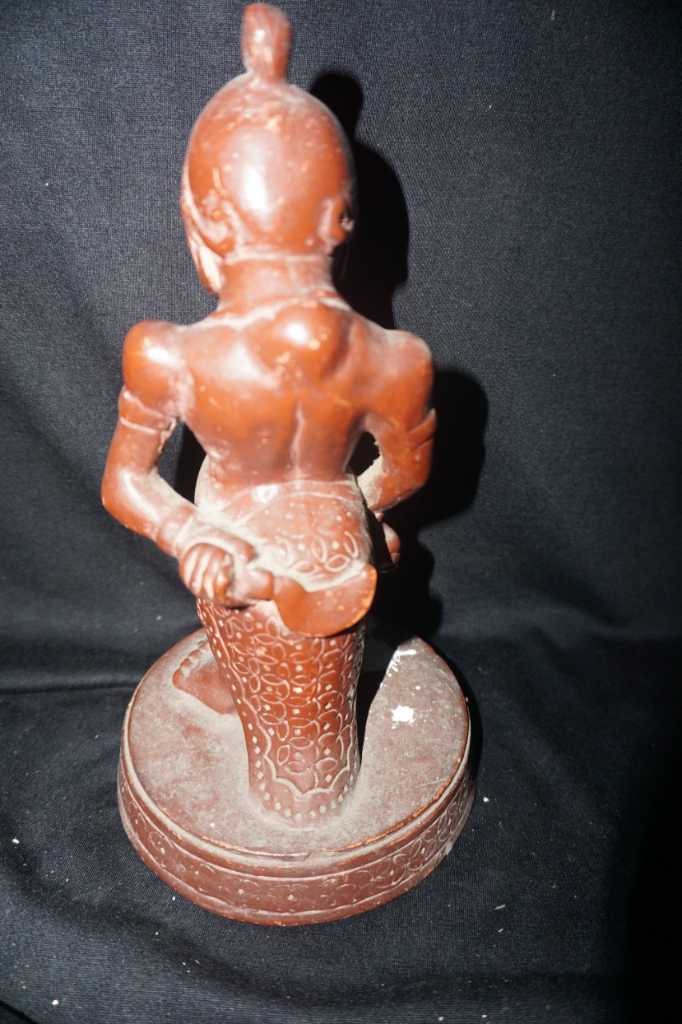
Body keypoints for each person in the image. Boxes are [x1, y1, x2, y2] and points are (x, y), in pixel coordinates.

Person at [102, 3, 435, 820]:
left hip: (237, 555)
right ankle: (252, 688)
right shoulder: (398, 360)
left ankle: (270, 733)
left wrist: (192, 533)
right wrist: (353, 511)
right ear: (342, 223)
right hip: (335, 552)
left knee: (234, 558)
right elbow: (406, 473)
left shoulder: (169, 354)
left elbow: (125, 484)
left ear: (204, 222)